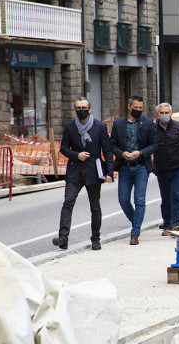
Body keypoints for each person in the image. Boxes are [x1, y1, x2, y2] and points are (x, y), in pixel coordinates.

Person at [53, 97, 113, 251]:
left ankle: (96, 238)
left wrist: (110, 172)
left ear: (90, 109)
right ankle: (63, 238)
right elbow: (64, 148)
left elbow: (107, 150)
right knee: (68, 203)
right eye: (78, 108)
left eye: (84, 107)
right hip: (75, 171)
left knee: (95, 207)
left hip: (94, 171)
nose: (81, 110)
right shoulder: (70, 126)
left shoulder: (100, 126)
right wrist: (76, 155)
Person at [110, 96, 158, 246]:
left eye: (140, 108)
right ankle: (136, 220)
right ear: (129, 106)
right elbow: (112, 145)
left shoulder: (148, 123)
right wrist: (121, 153)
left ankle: (135, 232)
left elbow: (154, 144)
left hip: (141, 166)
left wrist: (141, 153)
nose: (138, 110)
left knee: (140, 199)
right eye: (135, 108)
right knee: (123, 199)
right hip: (124, 166)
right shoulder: (118, 124)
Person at [153, 103, 179, 235]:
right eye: (162, 113)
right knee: (165, 197)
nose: (164, 115)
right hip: (161, 168)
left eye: (167, 113)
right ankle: (167, 223)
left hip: (178, 167)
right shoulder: (153, 129)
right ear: (157, 115)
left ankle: (175, 224)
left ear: (171, 114)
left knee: (177, 195)